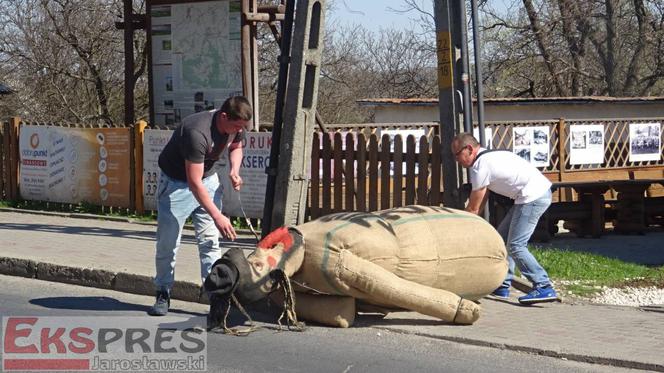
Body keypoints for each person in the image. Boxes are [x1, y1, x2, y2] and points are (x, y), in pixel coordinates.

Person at [149, 96, 252, 316]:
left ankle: (216, 296)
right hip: (177, 185)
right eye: (236, 126)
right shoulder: (197, 132)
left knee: (209, 242)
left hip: (208, 180)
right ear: (224, 117)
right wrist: (218, 216)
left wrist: (234, 169)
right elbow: (194, 183)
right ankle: (163, 291)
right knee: (168, 244)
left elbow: (236, 146)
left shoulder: (235, 123)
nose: (239, 131)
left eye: (242, 127)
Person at [451, 133, 557, 304]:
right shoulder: (490, 156)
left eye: (457, 154)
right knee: (502, 239)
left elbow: (473, 208)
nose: (457, 160)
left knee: (516, 245)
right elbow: (481, 198)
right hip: (530, 195)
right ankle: (502, 285)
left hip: (532, 197)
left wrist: (455, 229)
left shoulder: (480, 166)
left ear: (469, 149)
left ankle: (544, 285)